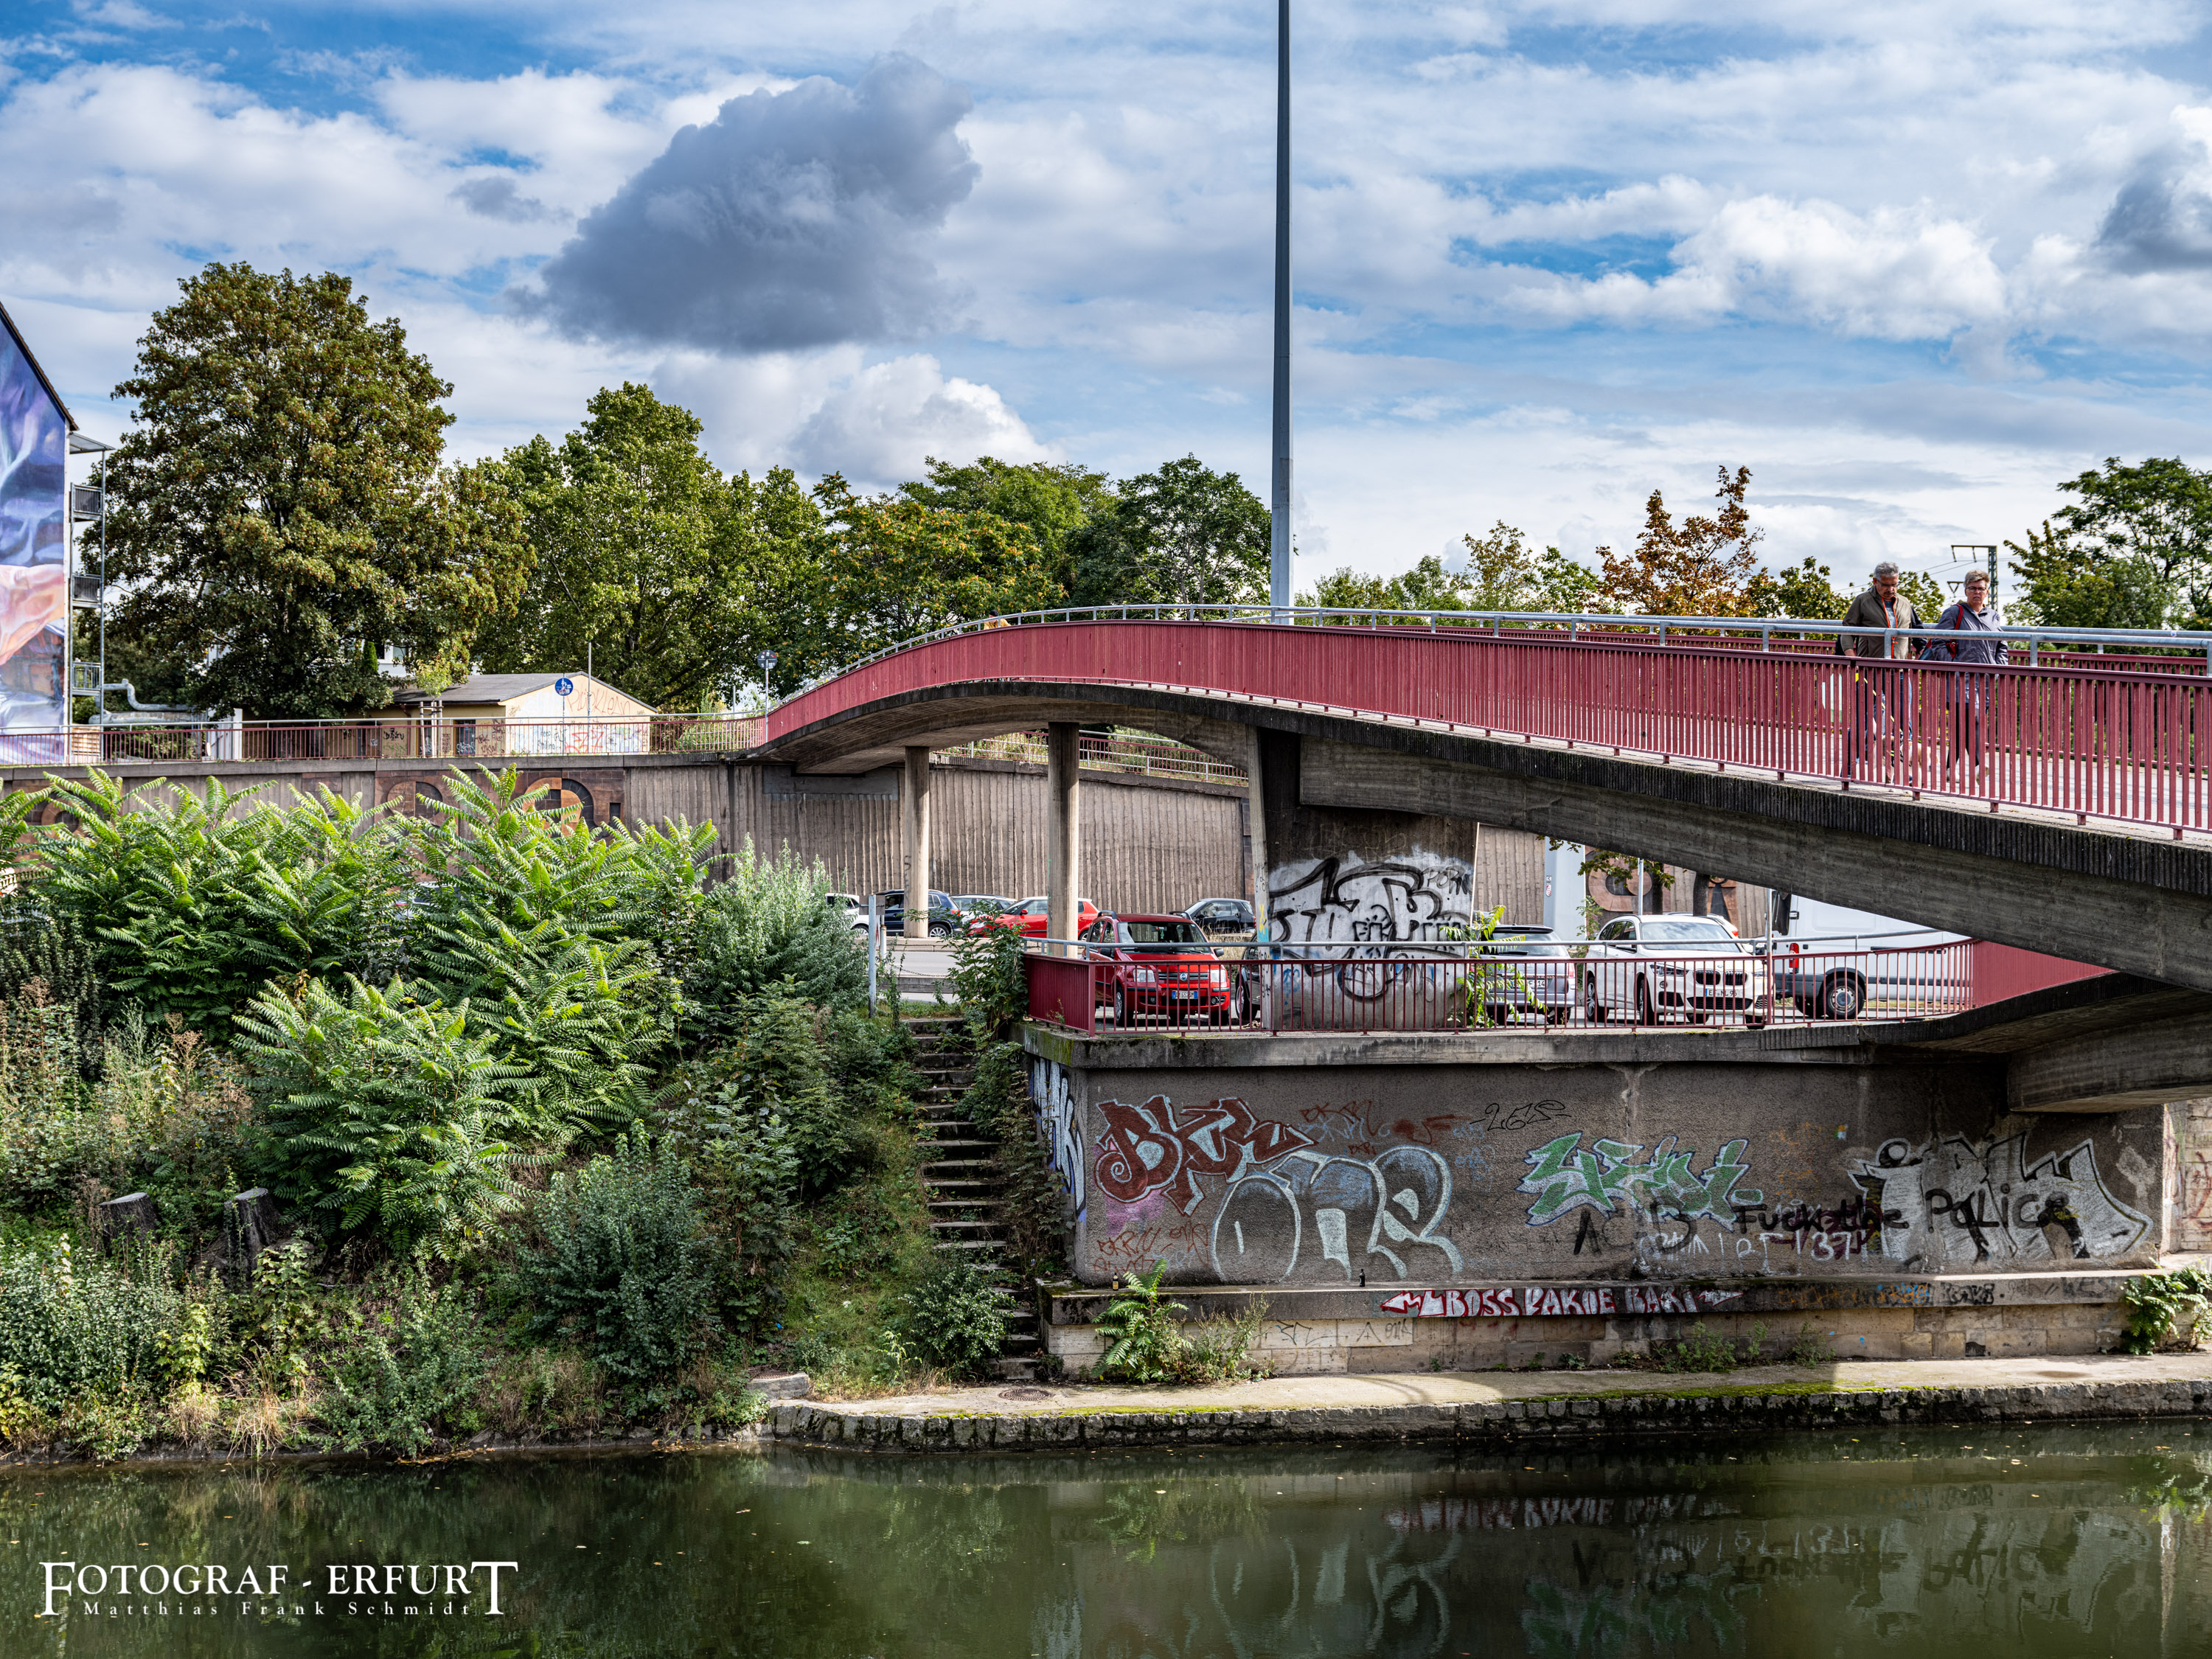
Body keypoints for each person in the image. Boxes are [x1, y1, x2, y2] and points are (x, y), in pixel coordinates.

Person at [1833, 563, 1919, 774]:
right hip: (1869, 670)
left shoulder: (1905, 603)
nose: (1891, 589)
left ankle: (1900, 771)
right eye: (1886, 585)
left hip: (1899, 671)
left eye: (1895, 584)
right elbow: (1847, 630)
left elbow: (1918, 632)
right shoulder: (1862, 601)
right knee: (1864, 721)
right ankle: (1851, 767)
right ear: (1875, 582)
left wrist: (1920, 656)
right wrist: (1851, 657)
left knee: (1903, 722)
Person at [1920, 568, 2006, 772]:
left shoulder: (1993, 615)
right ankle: (1979, 765)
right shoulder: (1954, 612)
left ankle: (1949, 769)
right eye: (1973, 588)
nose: (1977, 592)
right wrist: (1953, 665)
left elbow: (2002, 644)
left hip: (1985, 679)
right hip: (1960, 678)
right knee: (1972, 719)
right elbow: (1939, 642)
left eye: (1981, 589)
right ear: (1966, 590)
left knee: (1963, 725)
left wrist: (1999, 668)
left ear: (1987, 591)